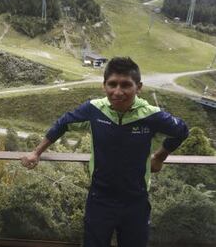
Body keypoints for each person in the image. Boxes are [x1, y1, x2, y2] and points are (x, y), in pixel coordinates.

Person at [21, 57, 189, 247]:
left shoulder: (150, 114)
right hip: (100, 198)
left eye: (126, 85)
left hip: (136, 200)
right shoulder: (94, 109)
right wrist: (36, 152)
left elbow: (181, 130)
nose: (118, 92)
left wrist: (159, 156)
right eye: (112, 84)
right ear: (104, 86)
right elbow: (63, 123)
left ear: (138, 87)